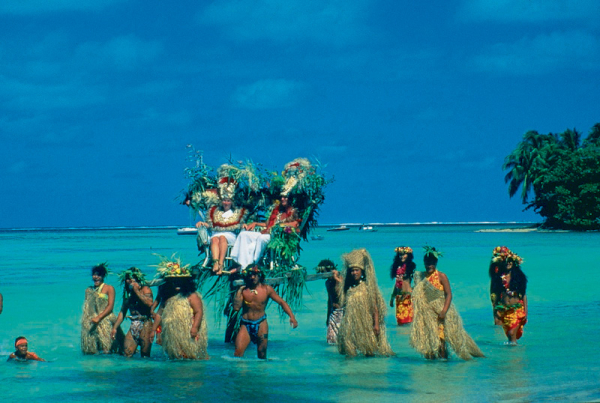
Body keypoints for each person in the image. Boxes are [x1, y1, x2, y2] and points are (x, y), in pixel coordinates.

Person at [410, 246, 484, 360]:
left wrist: (444, 311)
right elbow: (417, 293)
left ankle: (444, 368)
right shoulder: (421, 277)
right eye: (427, 262)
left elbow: (449, 294)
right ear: (424, 262)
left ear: (436, 263)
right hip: (427, 313)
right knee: (430, 340)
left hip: (441, 311)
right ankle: (431, 369)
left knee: (441, 340)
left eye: (432, 263)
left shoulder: (441, 276)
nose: (430, 265)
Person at [337, 249, 394, 357]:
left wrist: (376, 324)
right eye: (352, 270)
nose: (354, 273)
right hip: (351, 326)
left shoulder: (368, 288)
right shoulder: (349, 289)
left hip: (366, 326)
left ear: (362, 271)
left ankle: (369, 370)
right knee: (350, 353)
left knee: (369, 352)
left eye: (357, 270)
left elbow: (374, 308)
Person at [233, 265, 298, 359]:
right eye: (250, 275)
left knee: (262, 353)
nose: (252, 277)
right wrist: (239, 291)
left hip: (261, 323)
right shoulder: (244, 290)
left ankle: (261, 372)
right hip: (245, 323)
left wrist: (292, 317)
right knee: (238, 353)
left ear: (260, 275)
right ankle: (241, 373)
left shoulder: (267, 289)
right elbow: (236, 308)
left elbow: (281, 302)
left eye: (255, 275)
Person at [196, 165, 247, 275]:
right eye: (224, 200)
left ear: (231, 201)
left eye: (228, 200)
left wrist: (243, 226)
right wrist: (203, 223)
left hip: (230, 235)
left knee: (222, 238)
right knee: (215, 239)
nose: (226, 203)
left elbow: (241, 224)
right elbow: (210, 224)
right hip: (216, 234)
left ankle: (221, 262)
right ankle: (215, 263)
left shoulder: (237, 212)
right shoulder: (215, 211)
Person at [153, 258, 208, 360]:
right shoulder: (167, 297)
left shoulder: (191, 296)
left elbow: (198, 312)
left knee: (190, 355)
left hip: (188, 331)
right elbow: (159, 314)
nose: (177, 283)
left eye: (180, 280)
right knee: (176, 356)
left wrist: (195, 328)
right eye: (173, 281)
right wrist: (153, 331)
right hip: (173, 332)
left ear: (185, 282)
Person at [231, 195, 299, 269]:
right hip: (267, 233)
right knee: (243, 234)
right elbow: (268, 224)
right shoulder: (278, 210)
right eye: (281, 197)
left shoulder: (293, 211)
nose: (282, 199)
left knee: (262, 238)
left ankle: (254, 263)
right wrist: (255, 223)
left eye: (285, 197)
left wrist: (279, 226)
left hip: (277, 237)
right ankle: (240, 263)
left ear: (290, 198)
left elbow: (295, 224)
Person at [81, 263, 124, 354]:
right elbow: (87, 307)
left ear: (103, 276)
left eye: (98, 275)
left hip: (105, 319)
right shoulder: (88, 290)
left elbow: (110, 306)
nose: (96, 277)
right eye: (94, 275)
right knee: (90, 350)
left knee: (107, 349)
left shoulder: (109, 288)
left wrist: (99, 317)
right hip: (92, 321)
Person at [112, 267, 154, 357]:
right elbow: (122, 312)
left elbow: (149, 303)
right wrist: (115, 328)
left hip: (145, 324)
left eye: (132, 278)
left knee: (145, 356)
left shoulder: (145, 289)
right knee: (127, 354)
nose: (130, 280)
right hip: (133, 324)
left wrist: (136, 291)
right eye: (128, 278)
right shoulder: (127, 294)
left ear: (138, 278)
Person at [494, 251, 528, 345]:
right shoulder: (500, 278)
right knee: (509, 335)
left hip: (517, 310)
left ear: (514, 263)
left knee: (511, 333)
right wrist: (496, 310)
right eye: (506, 261)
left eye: (510, 261)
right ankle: (514, 356)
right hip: (505, 310)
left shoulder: (519, 277)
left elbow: (524, 295)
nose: (508, 263)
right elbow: (497, 295)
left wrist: (526, 312)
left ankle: (513, 356)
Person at [316, 259, 343, 345]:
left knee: (342, 337)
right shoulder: (328, 283)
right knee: (331, 339)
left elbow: (344, 291)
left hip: (343, 311)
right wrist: (328, 316)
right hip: (333, 312)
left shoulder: (340, 278)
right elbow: (329, 299)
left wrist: (336, 279)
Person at [389, 246, 416, 325]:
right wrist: (392, 298)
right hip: (399, 298)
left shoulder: (411, 267)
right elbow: (397, 284)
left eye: (404, 254)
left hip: (408, 298)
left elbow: (416, 281)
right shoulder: (398, 267)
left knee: (409, 322)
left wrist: (412, 293)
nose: (402, 256)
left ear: (408, 255)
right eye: (400, 254)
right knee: (400, 323)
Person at [489, 246, 510, 326]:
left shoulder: (506, 267)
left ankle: (498, 331)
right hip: (496, 289)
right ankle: (498, 331)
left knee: (501, 311)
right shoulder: (495, 268)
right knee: (497, 310)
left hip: (502, 290)